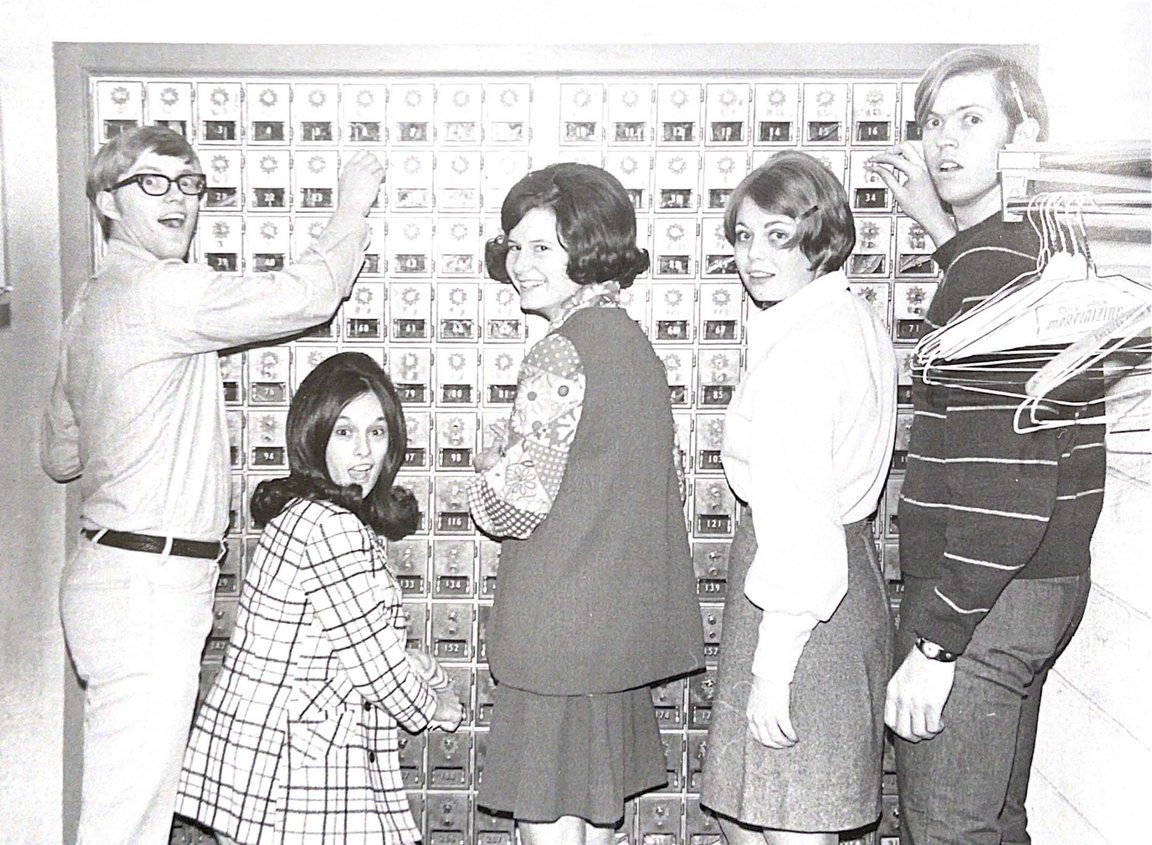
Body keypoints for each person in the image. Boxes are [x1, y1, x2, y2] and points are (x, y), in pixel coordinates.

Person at [39, 124, 384, 845]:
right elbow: (309, 294)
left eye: (190, 183)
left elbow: (60, 454)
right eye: (152, 182)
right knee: (123, 819)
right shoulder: (166, 292)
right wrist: (353, 199)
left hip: (110, 572)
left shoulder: (88, 303)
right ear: (108, 202)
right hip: (148, 586)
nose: (179, 199)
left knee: (131, 801)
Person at [869, 48, 1104, 845]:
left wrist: (938, 641)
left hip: (980, 598)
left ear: (1024, 134)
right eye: (934, 122)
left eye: (972, 120)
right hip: (1041, 584)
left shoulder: (993, 275)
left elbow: (1003, 484)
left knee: (946, 829)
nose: (943, 141)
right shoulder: (1032, 254)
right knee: (997, 823)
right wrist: (943, 232)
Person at [467, 162, 704, 845]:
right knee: (594, 825)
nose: (519, 264)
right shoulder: (635, 347)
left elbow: (515, 508)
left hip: (554, 640)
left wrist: (485, 473)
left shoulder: (558, 353)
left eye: (542, 247)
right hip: (614, 639)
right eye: (514, 246)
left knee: (544, 825)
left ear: (589, 246)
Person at [175, 352, 463, 844]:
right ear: (315, 435)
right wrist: (437, 706)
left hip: (267, 766)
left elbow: (329, 642)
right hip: (293, 774)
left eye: (377, 432)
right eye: (345, 432)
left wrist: (410, 663)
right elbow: (373, 666)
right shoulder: (332, 528)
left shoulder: (307, 514)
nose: (364, 453)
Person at [699, 151, 898, 845]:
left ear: (820, 235)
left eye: (777, 235)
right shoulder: (848, 318)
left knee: (790, 822)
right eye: (744, 235)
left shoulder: (805, 353)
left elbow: (804, 529)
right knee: (752, 814)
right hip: (838, 590)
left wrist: (772, 670)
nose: (754, 255)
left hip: (803, 608)